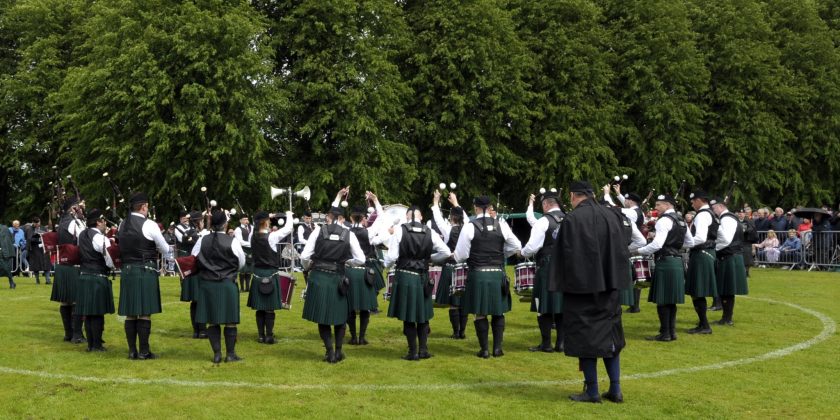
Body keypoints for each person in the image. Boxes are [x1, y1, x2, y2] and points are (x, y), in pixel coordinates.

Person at [550, 181, 630, 403]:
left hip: (581, 289)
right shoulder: (612, 215)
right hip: (610, 286)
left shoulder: (572, 220)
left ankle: (592, 391)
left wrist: (560, 283)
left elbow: (563, 254)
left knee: (586, 340)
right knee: (611, 337)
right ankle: (615, 389)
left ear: (575, 196)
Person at [453, 196, 522, 359]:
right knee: (499, 312)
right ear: (490, 207)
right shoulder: (501, 225)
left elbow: (460, 255)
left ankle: (484, 350)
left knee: (480, 312)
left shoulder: (469, 227)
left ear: (475, 208)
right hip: (497, 272)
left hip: (478, 273)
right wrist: (502, 254)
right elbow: (517, 246)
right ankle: (497, 349)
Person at [384, 206, 451, 360]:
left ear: (407, 217)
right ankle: (423, 350)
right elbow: (446, 252)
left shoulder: (400, 230)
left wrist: (385, 265)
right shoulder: (430, 232)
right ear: (420, 217)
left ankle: (413, 352)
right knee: (422, 315)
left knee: (409, 315)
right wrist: (429, 259)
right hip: (422, 276)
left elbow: (393, 256)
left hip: (405, 275)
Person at [300, 206, 366, 363]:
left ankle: (329, 352)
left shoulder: (318, 231)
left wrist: (307, 266)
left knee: (322, 317)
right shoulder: (348, 234)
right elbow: (361, 259)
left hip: (319, 277)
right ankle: (338, 352)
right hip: (338, 278)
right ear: (341, 218)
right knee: (340, 317)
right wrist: (346, 262)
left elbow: (304, 256)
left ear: (328, 217)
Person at [117, 192, 172, 360]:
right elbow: (165, 249)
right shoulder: (150, 224)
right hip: (145, 270)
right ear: (143, 207)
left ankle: (132, 350)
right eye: (147, 206)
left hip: (127, 271)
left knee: (131, 313)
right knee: (145, 312)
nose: (148, 209)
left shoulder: (122, 224)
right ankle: (144, 351)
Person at [633, 194, 692, 342]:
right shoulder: (681, 220)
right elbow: (690, 242)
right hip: (676, 261)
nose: (656, 208)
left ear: (667, 205)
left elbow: (657, 244)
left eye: (658, 205)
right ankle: (671, 332)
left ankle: (665, 334)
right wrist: (675, 246)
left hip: (665, 262)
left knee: (663, 299)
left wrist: (638, 251)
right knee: (670, 300)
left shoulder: (664, 220)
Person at [192, 210, 246, 363]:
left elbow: (194, 256)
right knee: (230, 320)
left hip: (208, 284)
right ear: (225, 224)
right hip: (227, 282)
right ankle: (230, 354)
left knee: (212, 320)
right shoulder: (232, 241)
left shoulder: (202, 239)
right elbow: (241, 262)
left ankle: (217, 354)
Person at [520, 191, 566, 353]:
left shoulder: (543, 221)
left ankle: (546, 344)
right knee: (561, 305)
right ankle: (561, 343)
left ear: (546, 204)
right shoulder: (570, 218)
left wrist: (522, 252)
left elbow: (532, 247)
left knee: (543, 305)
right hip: (567, 267)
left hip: (547, 267)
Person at [346, 192, 388, 345]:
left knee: (349, 306)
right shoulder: (368, 232)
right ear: (363, 217)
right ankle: (362, 337)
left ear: (351, 218)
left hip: (349, 271)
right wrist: (375, 200)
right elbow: (381, 218)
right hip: (364, 272)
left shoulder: (346, 232)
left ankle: (352, 337)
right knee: (365, 307)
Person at [247, 210, 294, 344]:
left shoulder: (252, 235)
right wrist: (289, 215)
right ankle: (269, 336)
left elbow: (255, 223)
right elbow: (288, 228)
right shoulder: (272, 237)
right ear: (265, 222)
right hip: (270, 273)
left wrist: (266, 217)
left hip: (257, 273)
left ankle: (261, 335)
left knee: (260, 307)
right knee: (269, 308)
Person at [75, 209, 115, 352]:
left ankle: (91, 345)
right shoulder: (100, 238)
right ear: (98, 222)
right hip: (97, 276)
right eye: (104, 221)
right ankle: (97, 345)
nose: (105, 224)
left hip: (84, 275)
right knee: (97, 313)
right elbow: (110, 260)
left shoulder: (82, 234)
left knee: (89, 312)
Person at [430, 190, 468, 339]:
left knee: (453, 302)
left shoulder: (448, 229)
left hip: (450, 267)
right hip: (464, 268)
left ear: (451, 218)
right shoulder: (468, 228)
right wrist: (456, 202)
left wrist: (435, 201)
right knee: (463, 301)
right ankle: (462, 332)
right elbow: (465, 218)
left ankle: (456, 332)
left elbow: (438, 219)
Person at [51, 197, 86, 342]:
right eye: (78, 208)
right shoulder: (73, 222)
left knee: (65, 301)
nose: (80, 210)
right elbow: (84, 238)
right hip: (73, 264)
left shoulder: (62, 221)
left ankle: (68, 333)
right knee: (78, 300)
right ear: (72, 209)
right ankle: (77, 334)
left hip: (62, 265)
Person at [710, 197, 748, 326]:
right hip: (730, 256)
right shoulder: (728, 218)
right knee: (726, 289)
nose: (713, 211)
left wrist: (713, 248)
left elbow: (726, 240)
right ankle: (726, 318)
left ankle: (727, 318)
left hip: (729, 256)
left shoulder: (726, 219)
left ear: (720, 206)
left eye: (714, 208)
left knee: (727, 289)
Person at [685, 191, 718, 335]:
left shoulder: (703, 215)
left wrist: (683, 244)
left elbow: (700, 238)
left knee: (697, 291)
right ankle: (702, 324)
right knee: (697, 291)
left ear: (699, 200)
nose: (692, 204)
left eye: (693, 201)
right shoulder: (710, 214)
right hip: (705, 253)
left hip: (701, 253)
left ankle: (704, 325)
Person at [180, 212, 208, 339]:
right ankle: (201, 330)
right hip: (197, 269)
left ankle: (196, 330)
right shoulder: (196, 234)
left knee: (195, 301)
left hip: (190, 270)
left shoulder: (190, 233)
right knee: (200, 300)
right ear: (199, 222)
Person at [25, 217, 52, 285]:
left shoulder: (43, 228)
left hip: (44, 249)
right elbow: (29, 239)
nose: (38, 225)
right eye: (36, 223)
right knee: (35, 265)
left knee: (46, 264)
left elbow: (48, 236)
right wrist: (38, 238)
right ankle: (37, 279)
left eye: (38, 223)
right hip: (34, 249)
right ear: (33, 222)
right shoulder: (29, 229)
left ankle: (48, 279)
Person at [233, 216, 253, 292]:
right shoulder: (238, 229)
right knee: (242, 270)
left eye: (247, 219)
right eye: (244, 219)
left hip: (250, 250)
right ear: (240, 220)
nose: (246, 221)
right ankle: (242, 288)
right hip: (242, 249)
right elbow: (240, 241)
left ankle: (248, 287)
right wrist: (251, 244)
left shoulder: (251, 227)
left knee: (249, 269)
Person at [0, 222, 15, 289]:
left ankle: (11, 282)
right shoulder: (5, 228)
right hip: (3, 251)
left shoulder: (5, 229)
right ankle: (12, 282)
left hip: (6, 252)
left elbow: (11, 240)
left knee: (6, 268)